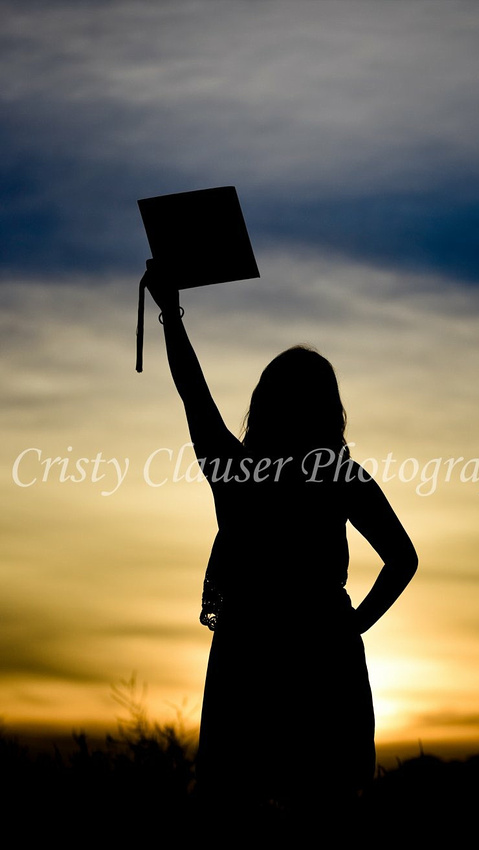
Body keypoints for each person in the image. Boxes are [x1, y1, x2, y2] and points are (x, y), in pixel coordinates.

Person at [142, 260, 418, 819]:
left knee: (235, 802)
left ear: (263, 404)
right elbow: (402, 560)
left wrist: (171, 314)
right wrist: (353, 624)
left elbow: (193, 394)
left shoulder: (236, 471)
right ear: (329, 410)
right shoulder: (340, 475)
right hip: (322, 654)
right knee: (324, 804)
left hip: (250, 653)